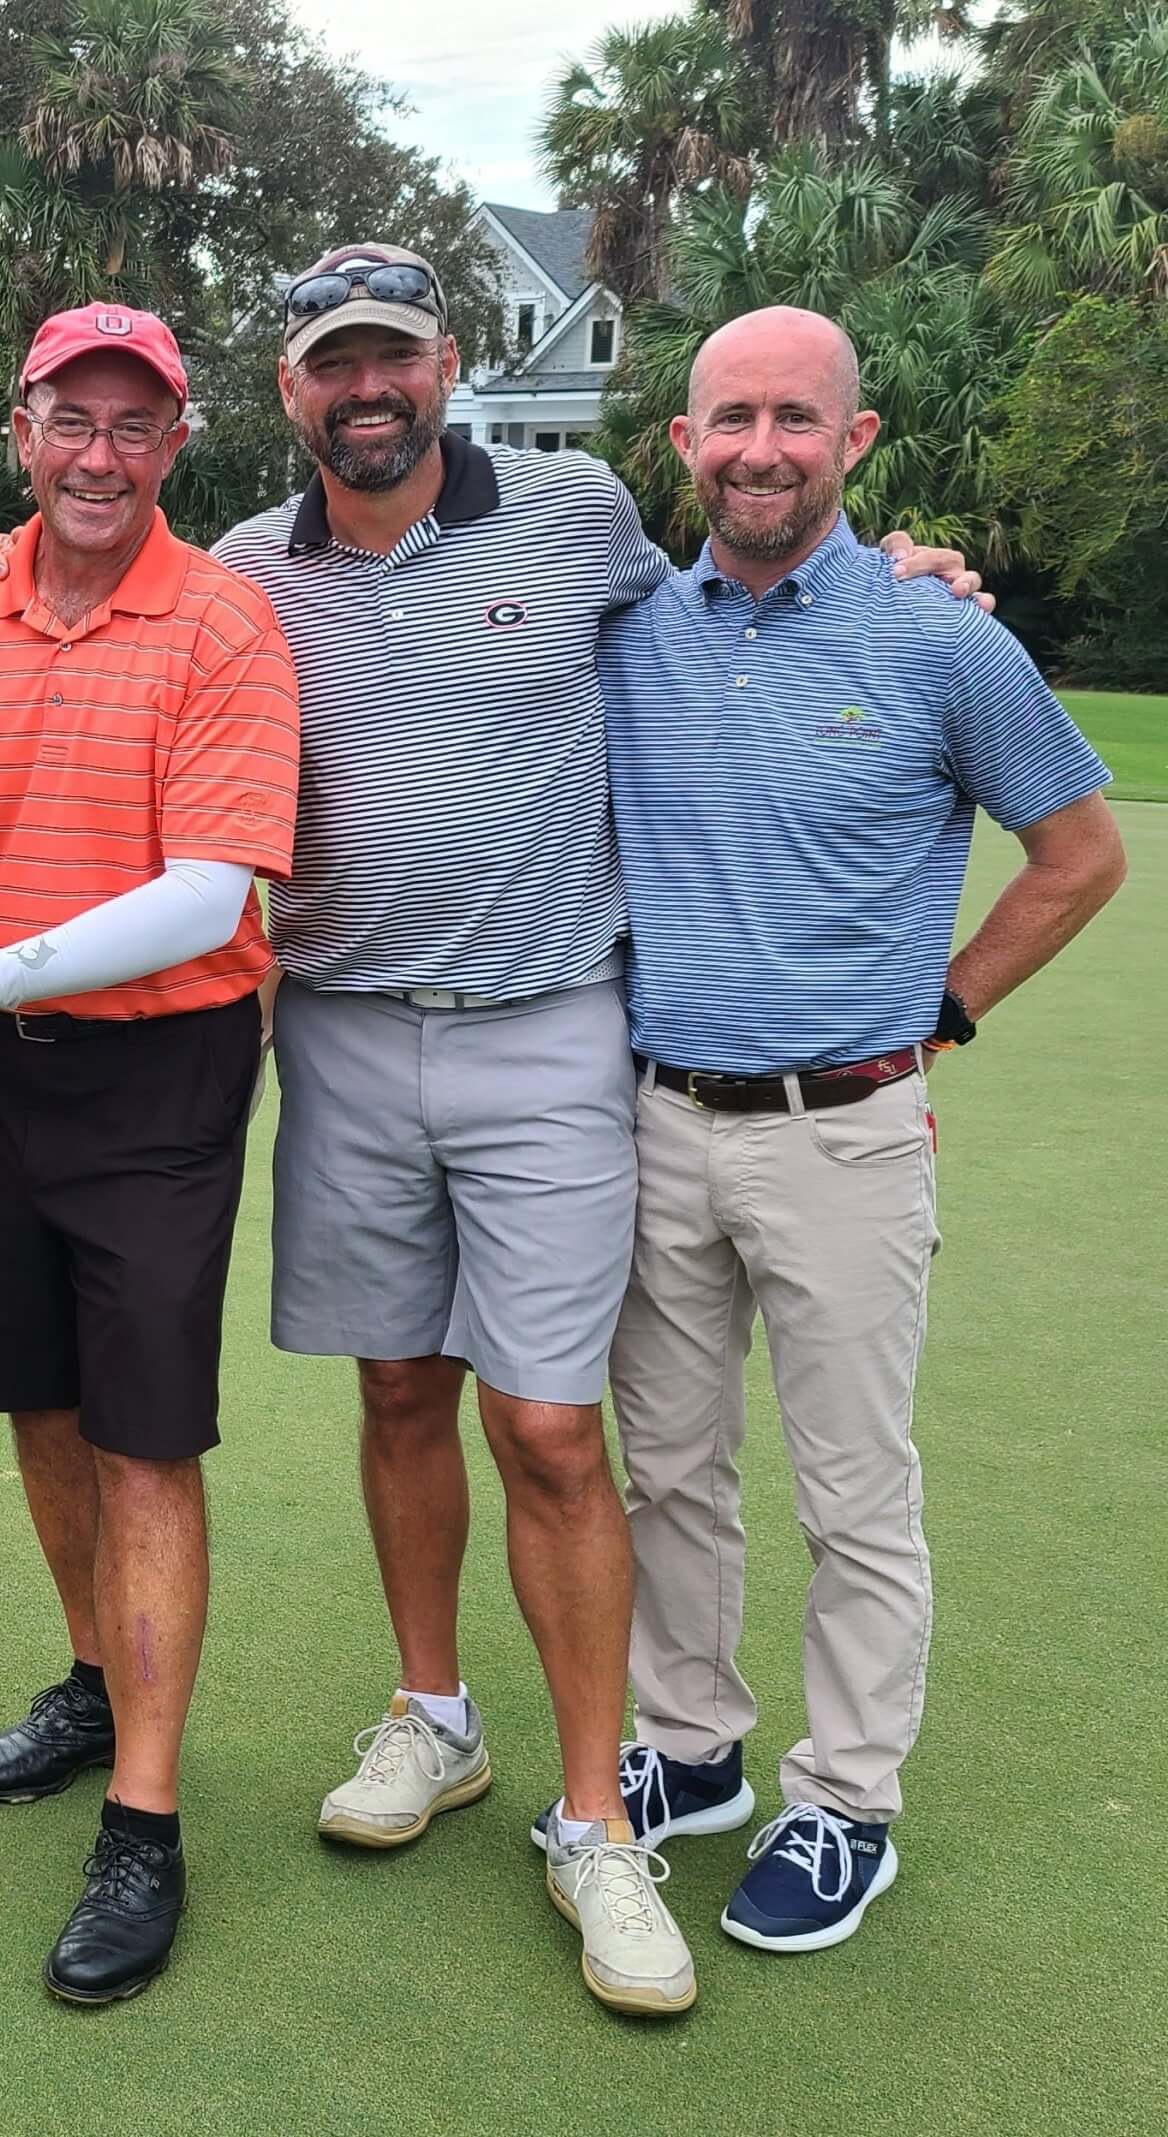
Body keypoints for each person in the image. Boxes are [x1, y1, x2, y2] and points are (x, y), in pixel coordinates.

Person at [0, 243, 984, 2016]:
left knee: (554, 1427)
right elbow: (86, 595)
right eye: (333, 361)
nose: (368, 389)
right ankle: (436, 1714)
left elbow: (741, 580)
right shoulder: (241, 571)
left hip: (552, 1029)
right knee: (399, 1390)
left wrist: (899, 571)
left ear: (447, 361)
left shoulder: (572, 518)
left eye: (395, 356)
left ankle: (599, 1822)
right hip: (336, 1033)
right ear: (286, 393)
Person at [597, 305, 1123, 1953]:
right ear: (680, 444)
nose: (761, 448)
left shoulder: (940, 636)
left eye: (795, 419)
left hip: (847, 1132)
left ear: (856, 440)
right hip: (657, 1118)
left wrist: (943, 1010)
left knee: (852, 1491)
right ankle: (690, 1748)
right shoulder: (630, 627)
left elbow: (1082, 855)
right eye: (728, 418)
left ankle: (848, 1801)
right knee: (670, 1469)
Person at [0, 304, 302, 2003]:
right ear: (20, 431)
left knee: (147, 1437)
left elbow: (209, 892)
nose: (100, 454)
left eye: (135, 425)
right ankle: (98, 1678)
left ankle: (148, 1817)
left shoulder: (227, 623)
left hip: (161, 1071)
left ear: (176, 447)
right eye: (71, 421)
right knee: (39, 1399)